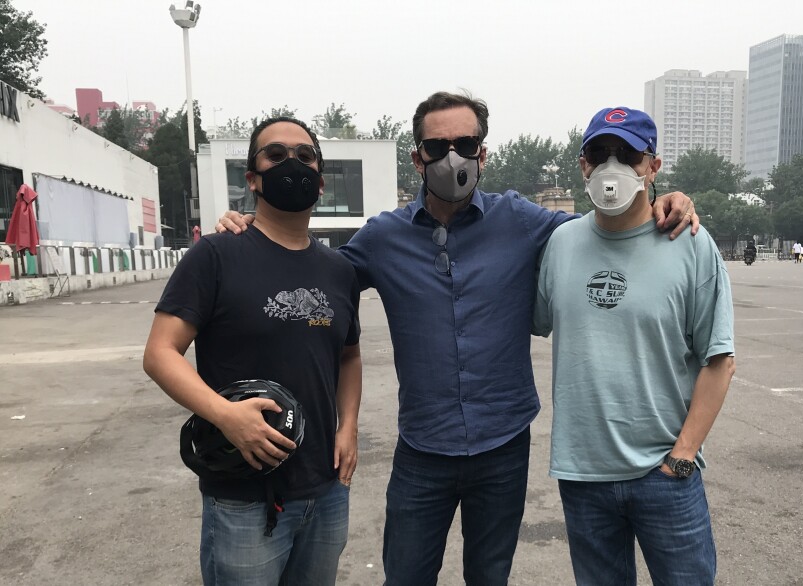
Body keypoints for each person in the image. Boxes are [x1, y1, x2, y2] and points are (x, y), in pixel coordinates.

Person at [217, 92, 699, 585]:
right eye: (436, 145)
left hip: (503, 446)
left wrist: (663, 197)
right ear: (417, 157)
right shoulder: (384, 238)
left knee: (489, 578)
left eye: (465, 143)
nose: (452, 157)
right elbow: (313, 274)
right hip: (423, 450)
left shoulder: (523, 222)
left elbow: (606, 226)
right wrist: (257, 231)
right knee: (405, 576)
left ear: (483, 154)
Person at [144, 116, 362, 585]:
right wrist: (225, 414)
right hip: (244, 493)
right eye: (276, 155)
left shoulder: (339, 270)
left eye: (305, 156)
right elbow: (160, 352)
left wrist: (350, 426)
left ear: (320, 182)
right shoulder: (217, 255)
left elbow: (349, 355)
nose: (292, 164)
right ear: (253, 178)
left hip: (326, 488)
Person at [533, 106, 735, 585]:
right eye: (599, 153)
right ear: (582, 165)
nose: (612, 166)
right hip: (584, 476)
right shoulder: (560, 244)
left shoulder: (690, 243)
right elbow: (533, 320)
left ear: (653, 166)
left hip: (664, 474)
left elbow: (719, 359)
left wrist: (682, 456)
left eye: (627, 154)